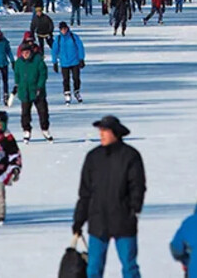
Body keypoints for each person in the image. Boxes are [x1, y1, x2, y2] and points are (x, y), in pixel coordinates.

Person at [73, 115, 146, 278]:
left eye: (105, 130)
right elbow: (85, 192)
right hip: (98, 220)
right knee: (93, 269)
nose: (101, 134)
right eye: (100, 130)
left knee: (130, 267)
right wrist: (79, 220)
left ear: (116, 133)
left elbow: (138, 186)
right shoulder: (93, 157)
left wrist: (134, 209)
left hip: (123, 220)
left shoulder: (131, 156)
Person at [13, 40, 52, 143]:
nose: (25, 54)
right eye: (23, 53)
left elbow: (43, 74)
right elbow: (17, 74)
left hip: (37, 91)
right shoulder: (19, 62)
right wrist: (17, 85)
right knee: (25, 113)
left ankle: (45, 129)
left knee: (43, 111)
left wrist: (40, 87)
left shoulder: (38, 60)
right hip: (24, 91)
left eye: (27, 52)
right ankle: (26, 130)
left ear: (31, 52)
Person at [52, 21, 86, 105]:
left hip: (74, 61)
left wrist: (81, 59)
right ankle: (67, 93)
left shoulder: (73, 37)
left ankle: (76, 91)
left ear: (67, 28)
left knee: (76, 78)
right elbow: (54, 51)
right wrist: (54, 62)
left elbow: (80, 47)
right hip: (64, 62)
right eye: (62, 29)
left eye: (65, 29)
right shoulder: (58, 39)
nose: (63, 30)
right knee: (65, 79)